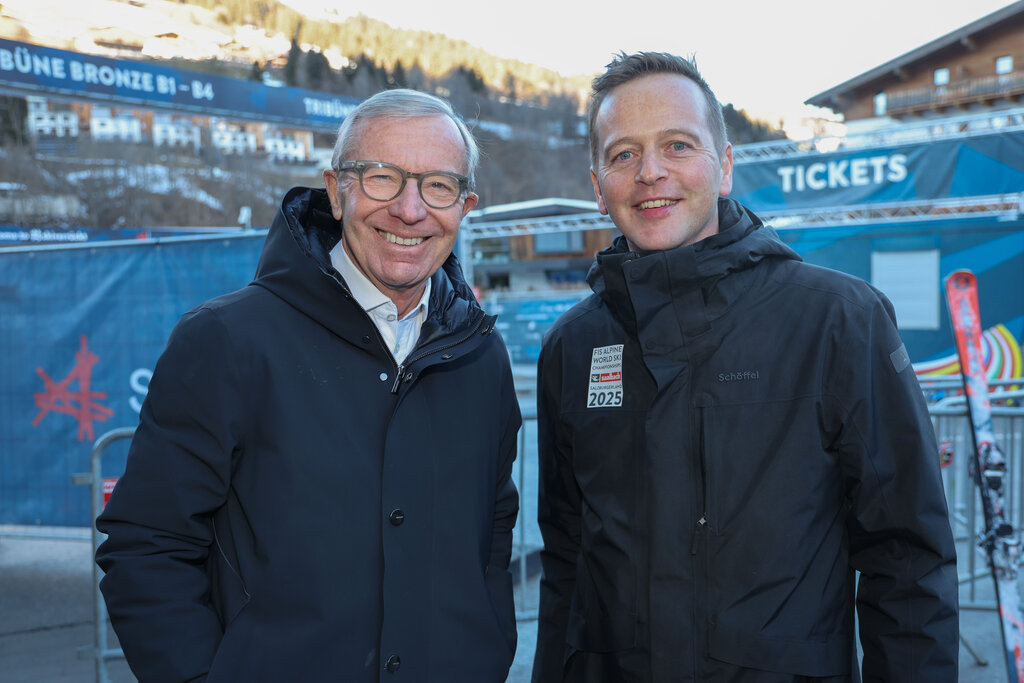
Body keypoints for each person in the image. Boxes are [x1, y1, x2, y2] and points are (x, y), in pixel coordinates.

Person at [531, 52, 958, 682]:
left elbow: (908, 562)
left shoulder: (836, 320)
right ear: (598, 185)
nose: (651, 172)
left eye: (677, 145)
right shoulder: (572, 346)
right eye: (623, 154)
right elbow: (567, 564)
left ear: (724, 167)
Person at [96, 89, 522, 682]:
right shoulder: (227, 341)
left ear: (465, 204)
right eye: (381, 177)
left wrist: (487, 649)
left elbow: (492, 530)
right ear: (336, 188)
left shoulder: (479, 355)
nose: (409, 208)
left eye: (438, 185)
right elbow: (148, 545)